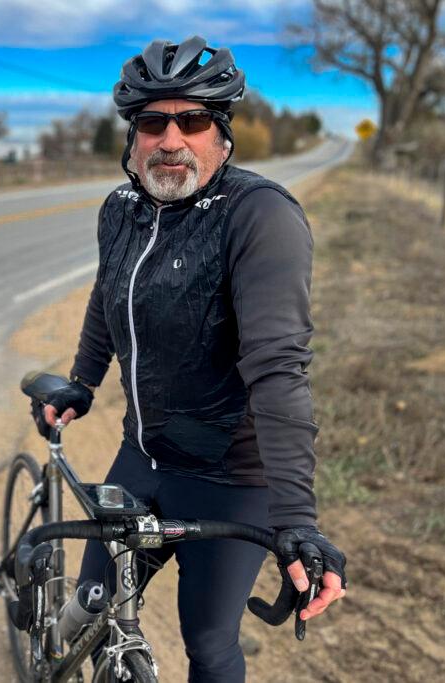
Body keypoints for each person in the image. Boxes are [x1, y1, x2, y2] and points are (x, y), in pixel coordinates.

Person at [41, 36, 347, 682]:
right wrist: (82, 382)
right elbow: (108, 296)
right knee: (93, 603)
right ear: (132, 139)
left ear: (222, 136)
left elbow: (278, 368)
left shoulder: (260, 217)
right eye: (152, 122)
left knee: (208, 643)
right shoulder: (120, 210)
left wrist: (296, 519)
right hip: (142, 456)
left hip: (232, 477)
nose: (171, 139)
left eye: (193, 120)